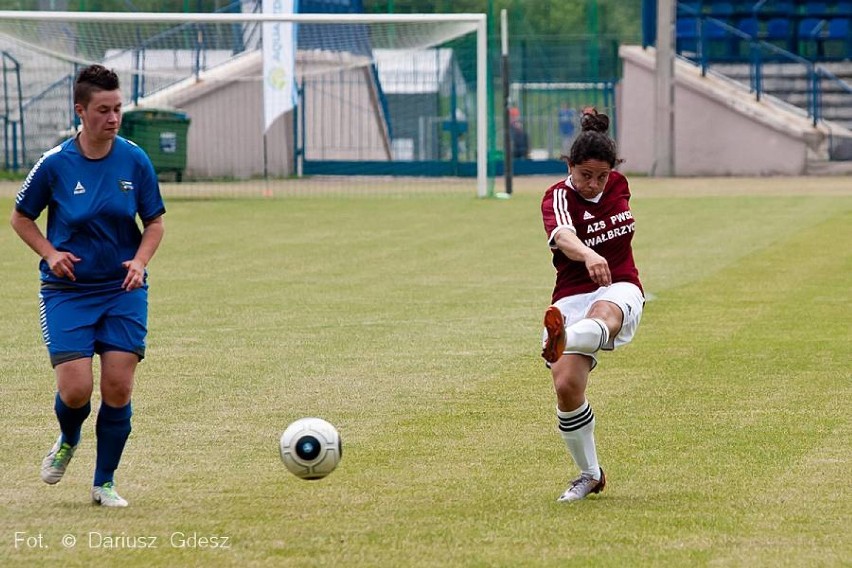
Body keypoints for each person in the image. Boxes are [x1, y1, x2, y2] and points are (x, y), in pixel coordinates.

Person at [10, 64, 165, 508]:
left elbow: (154, 222)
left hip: (122, 288)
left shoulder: (135, 159)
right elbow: (21, 217)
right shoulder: (56, 164)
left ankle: (104, 483)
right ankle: (67, 439)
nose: (113, 118)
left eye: (118, 109)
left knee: (118, 386)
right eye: (103, 110)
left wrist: (139, 260)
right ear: (81, 111)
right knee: (75, 391)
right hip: (68, 293)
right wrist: (49, 252)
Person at [539, 107, 644, 503]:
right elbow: (563, 234)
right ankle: (590, 473)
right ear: (570, 166)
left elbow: (608, 202)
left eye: (601, 176)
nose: (594, 184)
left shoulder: (619, 185)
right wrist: (588, 254)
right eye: (585, 175)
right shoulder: (558, 196)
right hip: (571, 294)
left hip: (621, 285)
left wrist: (603, 262)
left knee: (605, 316)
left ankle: (561, 337)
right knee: (566, 386)